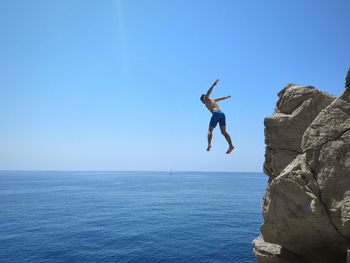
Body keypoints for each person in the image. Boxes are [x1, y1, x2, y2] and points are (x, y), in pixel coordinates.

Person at [200, 79, 234, 154]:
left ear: (203, 99)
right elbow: (221, 98)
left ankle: (209, 144)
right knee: (224, 132)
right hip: (222, 114)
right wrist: (227, 97)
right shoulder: (212, 100)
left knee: (210, 130)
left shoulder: (205, 99)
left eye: (202, 101)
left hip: (216, 113)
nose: (202, 103)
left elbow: (208, 92)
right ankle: (231, 145)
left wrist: (213, 84)